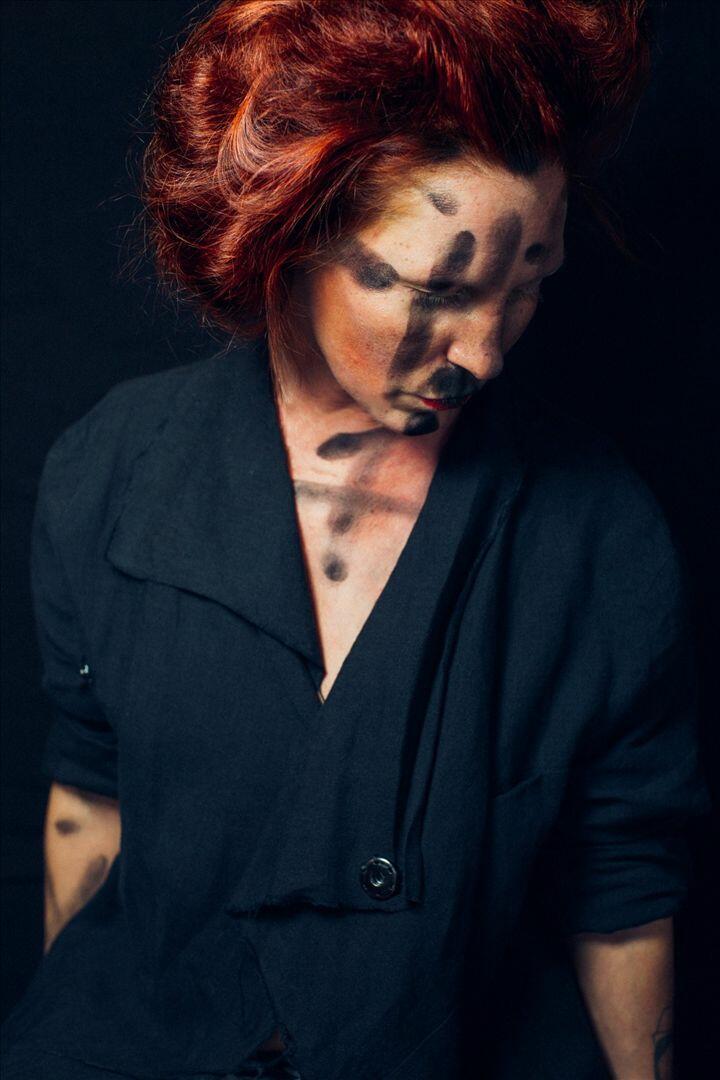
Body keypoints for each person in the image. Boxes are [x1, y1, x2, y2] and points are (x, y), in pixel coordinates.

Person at [1, 1, 711, 1077]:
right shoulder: (107, 475)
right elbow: (88, 798)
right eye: (438, 289)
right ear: (286, 238)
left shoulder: (600, 537)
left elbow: (624, 888)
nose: (485, 353)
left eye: (529, 286)